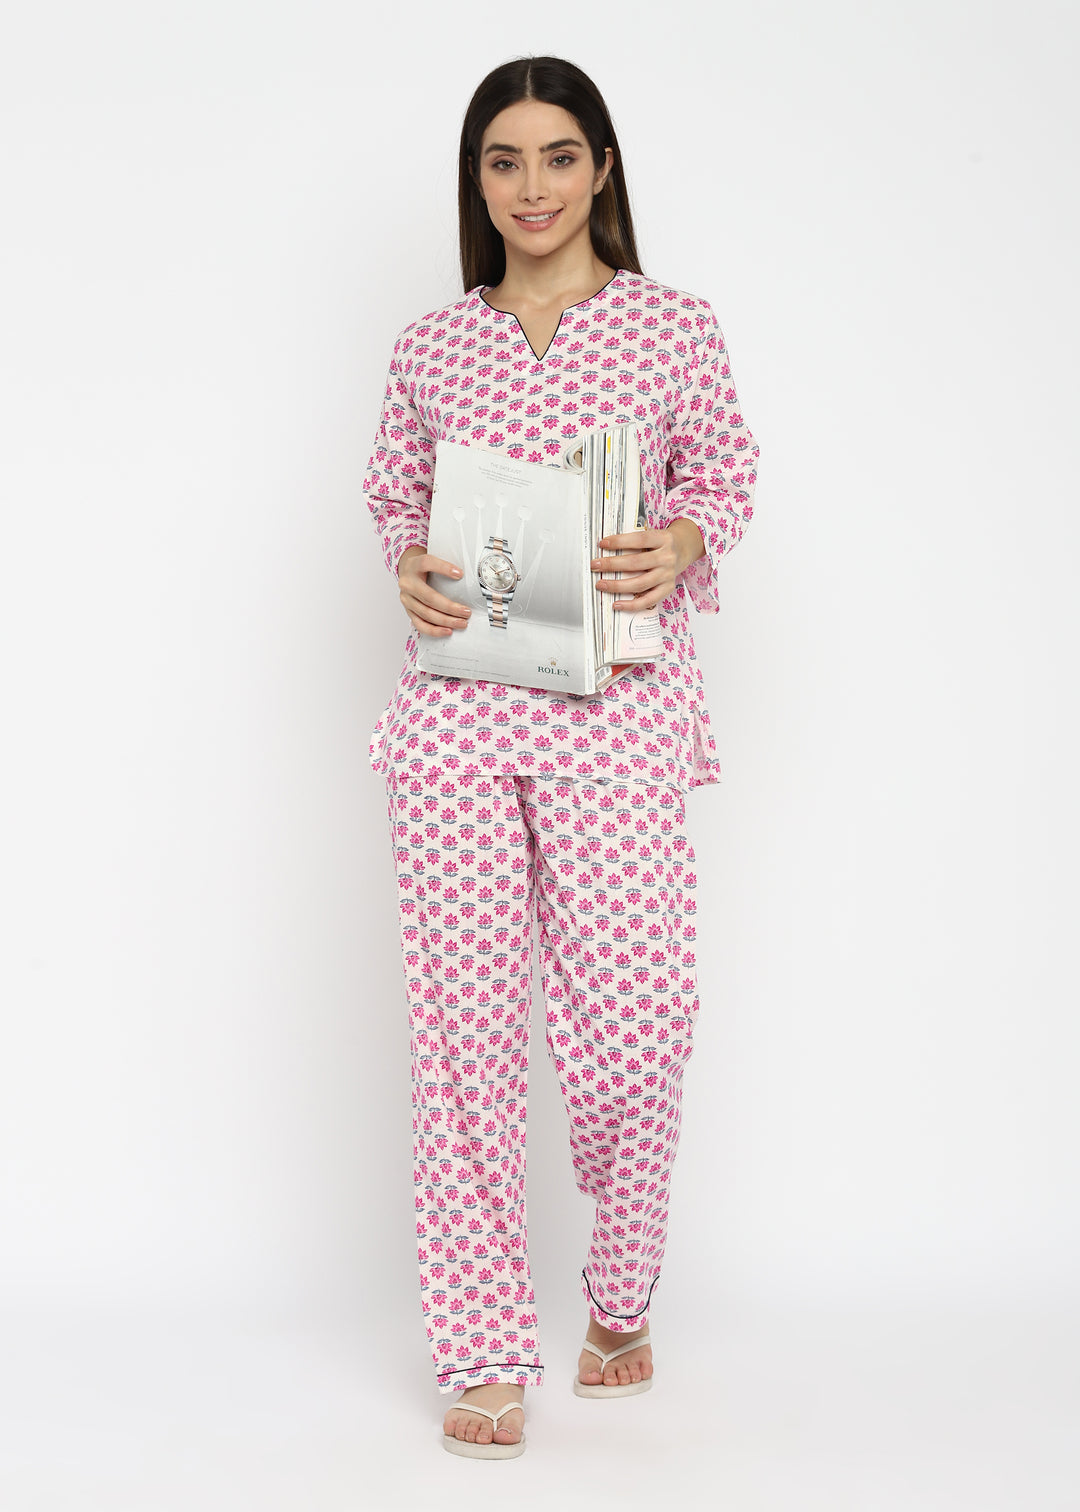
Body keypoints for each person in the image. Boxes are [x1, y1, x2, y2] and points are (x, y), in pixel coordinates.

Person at [361, 55, 759, 1460]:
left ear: (602, 170)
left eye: (558, 156)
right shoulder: (431, 346)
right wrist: (406, 560)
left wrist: (684, 538)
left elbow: (726, 472)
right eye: (503, 160)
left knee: (637, 1037)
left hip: (619, 718)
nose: (532, 186)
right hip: (456, 724)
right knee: (463, 1044)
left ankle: (621, 1291)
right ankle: (483, 1346)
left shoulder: (673, 327)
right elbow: (393, 492)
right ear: (476, 181)